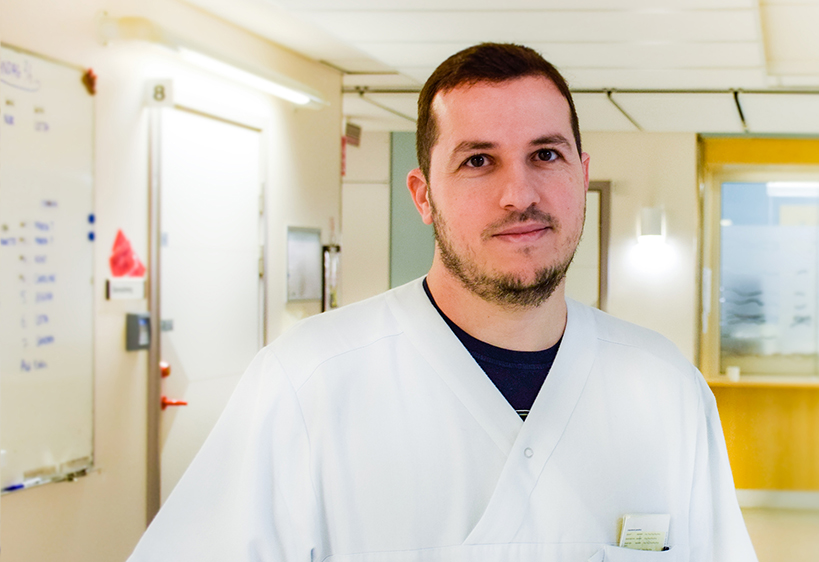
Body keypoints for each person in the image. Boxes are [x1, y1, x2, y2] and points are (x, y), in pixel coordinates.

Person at [128, 43, 757, 562]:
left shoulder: (666, 387)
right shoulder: (306, 383)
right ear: (423, 195)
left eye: (546, 155)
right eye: (478, 160)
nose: (520, 193)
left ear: (581, 174)